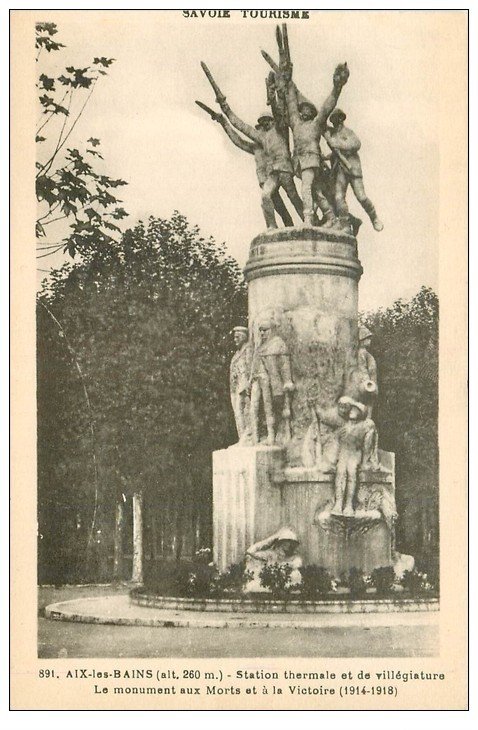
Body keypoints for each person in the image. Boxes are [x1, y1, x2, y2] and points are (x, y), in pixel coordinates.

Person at [201, 63, 304, 228]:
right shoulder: (261, 138)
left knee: (293, 197)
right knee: (265, 197)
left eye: (266, 120)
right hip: (272, 173)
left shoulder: (280, 129)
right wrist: (225, 116)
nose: (264, 123)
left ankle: (309, 222)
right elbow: (240, 128)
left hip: (284, 168)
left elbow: (278, 112)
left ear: (271, 121)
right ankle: (271, 226)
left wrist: (271, 93)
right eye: (262, 122)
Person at [196, 100, 294, 226]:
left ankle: (297, 222)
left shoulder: (274, 138)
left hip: (278, 171)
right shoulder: (255, 148)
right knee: (276, 205)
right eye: (258, 128)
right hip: (265, 178)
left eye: (262, 127)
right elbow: (238, 141)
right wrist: (224, 124)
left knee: (291, 197)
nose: (259, 130)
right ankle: (281, 225)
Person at [279, 62, 350, 227]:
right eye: (302, 109)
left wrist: (337, 88)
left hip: (311, 161)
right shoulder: (295, 123)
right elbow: (290, 102)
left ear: (311, 112)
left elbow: (327, 107)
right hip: (299, 161)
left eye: (308, 109)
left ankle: (309, 218)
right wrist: (288, 81)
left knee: (306, 188)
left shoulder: (316, 124)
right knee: (316, 192)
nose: (304, 111)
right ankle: (332, 217)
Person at [323, 108, 384, 232]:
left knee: (361, 197)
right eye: (333, 119)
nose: (335, 121)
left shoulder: (348, 132)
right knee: (339, 197)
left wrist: (338, 145)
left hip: (353, 170)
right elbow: (335, 152)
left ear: (341, 119)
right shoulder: (332, 135)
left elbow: (356, 144)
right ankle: (345, 224)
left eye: (336, 118)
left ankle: (374, 217)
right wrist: (328, 156)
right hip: (340, 171)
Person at [250, 318, 294, 445]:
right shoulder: (260, 347)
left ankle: (280, 434)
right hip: (261, 382)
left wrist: (287, 380)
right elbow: (255, 366)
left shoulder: (279, 344)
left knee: (278, 409)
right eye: (260, 331)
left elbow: (284, 365)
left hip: (275, 383)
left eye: (265, 330)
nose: (262, 333)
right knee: (260, 408)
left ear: (271, 330)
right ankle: (260, 436)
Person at [332, 401, 378, 517]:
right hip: (343, 453)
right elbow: (336, 440)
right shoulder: (343, 425)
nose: (353, 411)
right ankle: (338, 504)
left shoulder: (363, 427)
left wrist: (366, 460)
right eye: (351, 409)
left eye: (356, 410)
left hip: (355, 453)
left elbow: (367, 444)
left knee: (352, 473)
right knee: (340, 472)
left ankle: (348, 505)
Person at [244, 527, 302, 593]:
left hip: (285, 589)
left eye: (291, 542)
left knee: (295, 574)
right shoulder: (269, 555)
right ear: (280, 542)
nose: (289, 544)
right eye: (286, 541)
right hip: (267, 588)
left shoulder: (295, 558)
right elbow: (249, 552)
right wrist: (272, 539)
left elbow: (294, 566)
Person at [229, 326, 253, 442]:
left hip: (243, 384)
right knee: (237, 412)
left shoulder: (247, 350)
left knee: (242, 410)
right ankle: (242, 436)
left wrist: (248, 383)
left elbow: (249, 367)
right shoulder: (237, 353)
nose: (235, 340)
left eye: (237, 337)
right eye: (234, 337)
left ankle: (246, 435)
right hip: (235, 386)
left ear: (244, 337)